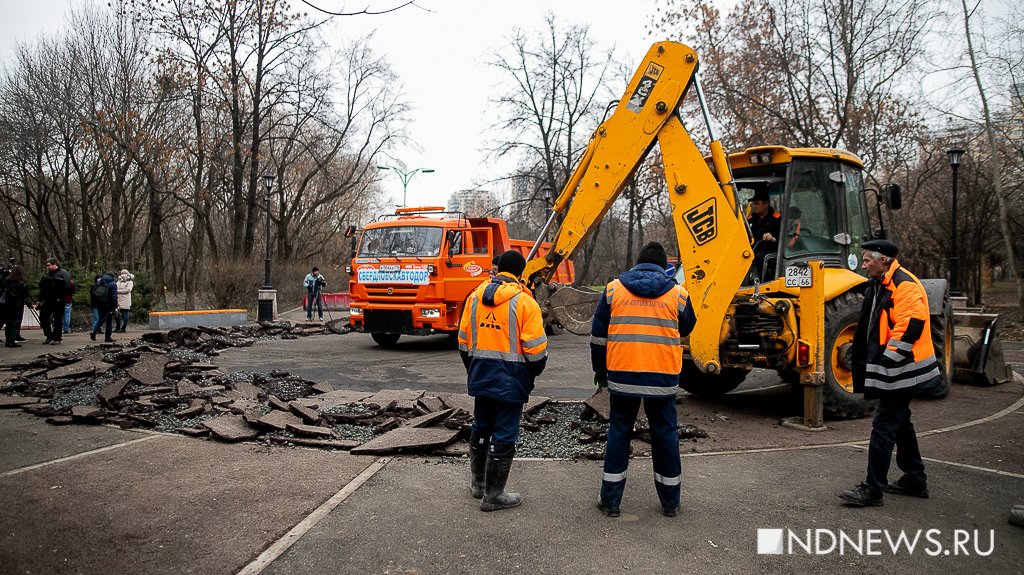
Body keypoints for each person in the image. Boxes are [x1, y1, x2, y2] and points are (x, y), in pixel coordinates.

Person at [591, 241, 697, 518]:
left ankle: (611, 501)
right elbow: (688, 326)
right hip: (661, 377)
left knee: (619, 434)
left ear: (636, 263)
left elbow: (598, 338)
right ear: (665, 267)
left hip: (623, 375)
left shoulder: (613, 289)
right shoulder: (678, 293)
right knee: (665, 436)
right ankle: (670, 503)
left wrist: (601, 373)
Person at [839, 239, 939, 507]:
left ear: (882, 260)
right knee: (900, 422)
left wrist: (887, 362)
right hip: (896, 367)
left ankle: (873, 489)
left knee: (884, 425)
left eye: (867, 260)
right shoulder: (880, 282)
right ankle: (915, 479)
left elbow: (910, 327)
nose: (863, 264)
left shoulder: (903, 285)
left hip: (903, 368)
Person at [458, 250, 547, 512]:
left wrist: (474, 369)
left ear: (498, 270)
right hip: (512, 379)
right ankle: (494, 495)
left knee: (481, 426)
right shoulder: (525, 303)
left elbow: (463, 342)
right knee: (505, 433)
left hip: (480, 374)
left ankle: (479, 484)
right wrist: (532, 373)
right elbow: (536, 351)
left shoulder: (474, 297)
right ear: (521, 273)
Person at [747, 189, 781, 280]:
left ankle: (764, 282)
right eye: (753, 204)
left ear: (766, 204)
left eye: (757, 203)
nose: (755, 206)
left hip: (770, 249)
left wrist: (772, 238)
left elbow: (783, 237)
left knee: (759, 257)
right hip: (752, 248)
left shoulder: (776, 219)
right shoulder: (751, 219)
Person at [37, 258, 72, 345]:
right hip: (49, 299)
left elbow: (68, 286)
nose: (48, 267)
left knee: (57, 319)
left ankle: (57, 337)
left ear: (54, 264)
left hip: (58, 299)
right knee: (43, 317)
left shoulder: (63, 273)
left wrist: (61, 296)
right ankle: (49, 335)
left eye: (49, 265)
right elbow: (43, 289)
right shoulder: (48, 274)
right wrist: (40, 299)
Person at [2, 265, 30, 348]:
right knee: (15, 322)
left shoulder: (7, 281)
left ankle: (9, 340)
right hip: (17, 304)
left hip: (7, 303)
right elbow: (25, 293)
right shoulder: (21, 283)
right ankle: (11, 341)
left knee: (9, 322)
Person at [89, 273, 117, 342]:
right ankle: (108, 337)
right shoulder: (112, 284)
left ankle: (94, 331)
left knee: (101, 319)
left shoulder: (98, 282)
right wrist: (114, 306)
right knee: (109, 321)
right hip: (108, 305)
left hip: (99, 304)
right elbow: (114, 297)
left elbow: (93, 293)